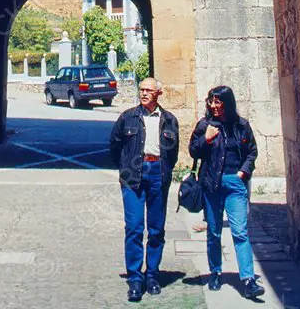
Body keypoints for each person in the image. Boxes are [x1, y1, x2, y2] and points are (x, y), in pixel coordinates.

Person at [188, 85, 265, 301]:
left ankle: (248, 279)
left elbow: (252, 151)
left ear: (227, 103)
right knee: (213, 232)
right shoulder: (205, 125)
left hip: (234, 184)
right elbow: (193, 150)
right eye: (211, 102)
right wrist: (207, 139)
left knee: (240, 231)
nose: (213, 106)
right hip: (211, 183)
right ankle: (215, 272)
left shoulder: (241, 126)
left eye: (218, 102)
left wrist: (243, 172)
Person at [109, 78, 179, 302]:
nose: (144, 93)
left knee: (157, 229)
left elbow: (173, 152)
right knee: (134, 227)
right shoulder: (128, 117)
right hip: (133, 176)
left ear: (159, 93)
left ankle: (152, 275)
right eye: (142, 90)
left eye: (149, 90)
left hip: (158, 172)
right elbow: (115, 145)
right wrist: (125, 168)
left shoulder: (169, 120)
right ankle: (135, 278)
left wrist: (164, 170)